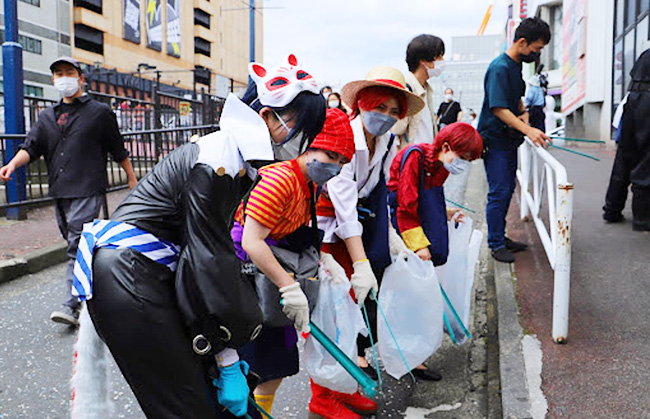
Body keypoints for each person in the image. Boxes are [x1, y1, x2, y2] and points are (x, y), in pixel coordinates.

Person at [69, 55, 326, 418]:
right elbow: (209, 263)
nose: (303, 143)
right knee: (186, 407)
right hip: (131, 273)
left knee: (198, 401)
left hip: (137, 272)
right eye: (300, 128)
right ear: (267, 116)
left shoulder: (228, 158)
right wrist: (228, 355)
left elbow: (206, 262)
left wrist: (226, 354)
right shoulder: (218, 162)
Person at [313, 65, 424, 419]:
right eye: (380, 108)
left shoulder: (387, 140)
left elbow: (376, 195)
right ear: (362, 103)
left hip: (352, 234)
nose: (386, 117)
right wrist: (362, 264)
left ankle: (340, 388)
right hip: (325, 235)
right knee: (329, 314)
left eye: (394, 112)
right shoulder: (343, 137)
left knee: (348, 314)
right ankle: (322, 398)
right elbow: (345, 209)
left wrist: (390, 237)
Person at [233, 108, 355, 417]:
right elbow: (251, 242)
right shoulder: (281, 180)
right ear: (308, 144)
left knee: (275, 368)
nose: (336, 166)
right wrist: (288, 286)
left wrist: (324, 258)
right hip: (246, 279)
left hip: (272, 275)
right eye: (330, 154)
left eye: (342, 161)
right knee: (250, 370)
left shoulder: (310, 183)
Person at [0, 56, 138, 327]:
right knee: (81, 245)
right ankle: (102, 286)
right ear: (53, 79)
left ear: (81, 78)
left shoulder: (99, 113)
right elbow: (31, 147)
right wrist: (12, 165)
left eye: (69, 72)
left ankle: (71, 304)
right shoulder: (47, 117)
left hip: (88, 187)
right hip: (60, 190)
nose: (64, 77)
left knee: (76, 245)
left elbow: (117, 148)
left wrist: (132, 179)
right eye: (59, 73)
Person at [477, 17, 551, 263]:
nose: (536, 53)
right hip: (495, 140)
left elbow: (514, 99)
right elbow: (498, 108)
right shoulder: (499, 67)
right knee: (499, 191)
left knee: (508, 189)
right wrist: (529, 130)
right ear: (522, 42)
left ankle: (501, 235)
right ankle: (496, 243)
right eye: (536, 48)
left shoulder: (516, 65)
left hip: (509, 139)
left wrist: (523, 112)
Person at [388, 123, 483, 266]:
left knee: (437, 255)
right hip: (402, 219)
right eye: (462, 157)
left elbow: (429, 200)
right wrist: (419, 246)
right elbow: (406, 205)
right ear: (445, 147)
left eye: (468, 161)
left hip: (415, 214)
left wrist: (445, 213)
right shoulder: (415, 156)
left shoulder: (443, 165)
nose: (463, 164)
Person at [603, 45, 650, 231]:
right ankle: (642, 219)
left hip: (633, 101)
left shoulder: (645, 55)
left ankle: (612, 209)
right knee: (646, 160)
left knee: (624, 157)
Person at [392, 34, 446, 147]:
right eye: (439, 57)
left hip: (425, 157)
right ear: (424, 61)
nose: (442, 61)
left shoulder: (426, 89)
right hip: (412, 157)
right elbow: (396, 131)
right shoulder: (407, 90)